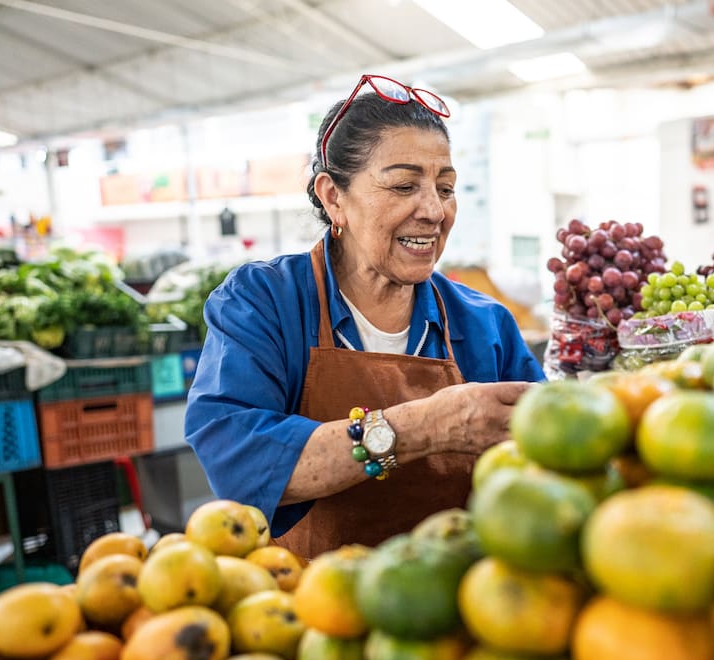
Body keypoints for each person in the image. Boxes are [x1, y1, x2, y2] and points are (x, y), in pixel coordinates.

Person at [185, 75, 545, 558]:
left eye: (446, 188)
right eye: (403, 185)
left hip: (456, 601)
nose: (434, 211)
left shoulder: (486, 325)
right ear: (334, 197)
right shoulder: (264, 302)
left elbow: (544, 457)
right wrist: (426, 426)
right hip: (308, 606)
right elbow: (238, 463)